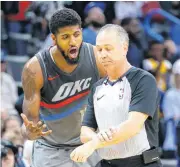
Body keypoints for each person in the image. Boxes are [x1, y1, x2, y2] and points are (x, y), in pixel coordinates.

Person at [20, 8, 106, 167]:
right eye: (65, 37)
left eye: (76, 35)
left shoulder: (97, 57)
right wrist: (30, 133)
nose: (73, 42)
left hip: (89, 143)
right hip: (51, 149)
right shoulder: (35, 69)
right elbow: (30, 123)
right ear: (53, 38)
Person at [70, 24, 162, 167]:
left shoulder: (143, 79)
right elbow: (85, 131)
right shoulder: (96, 88)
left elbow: (132, 126)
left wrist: (95, 143)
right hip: (107, 163)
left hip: (141, 163)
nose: (103, 54)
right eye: (99, 49)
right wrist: (95, 139)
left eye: (108, 48)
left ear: (124, 48)